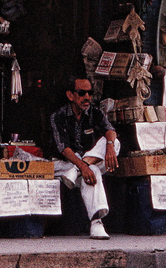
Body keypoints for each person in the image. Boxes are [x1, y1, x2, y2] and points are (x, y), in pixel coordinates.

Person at [49, 75, 119, 238]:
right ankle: (96, 222)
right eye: (82, 93)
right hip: (62, 164)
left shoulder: (95, 112)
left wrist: (109, 146)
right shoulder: (58, 116)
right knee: (93, 170)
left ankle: (77, 171)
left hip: (75, 170)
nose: (87, 97)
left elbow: (110, 130)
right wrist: (83, 166)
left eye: (90, 93)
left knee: (115, 143)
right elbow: (64, 149)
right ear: (70, 95)